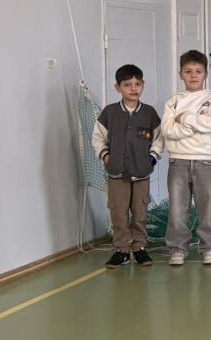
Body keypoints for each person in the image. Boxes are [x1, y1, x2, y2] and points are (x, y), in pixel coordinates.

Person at [91, 64, 163, 268]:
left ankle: (139, 248)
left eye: (137, 84)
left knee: (140, 212)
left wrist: (151, 159)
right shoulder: (110, 113)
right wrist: (106, 157)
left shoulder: (149, 113)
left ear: (143, 86)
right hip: (117, 174)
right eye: (127, 84)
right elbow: (98, 138)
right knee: (118, 213)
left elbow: (158, 140)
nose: (133, 88)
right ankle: (122, 250)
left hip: (141, 174)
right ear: (118, 88)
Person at [160, 50, 211, 266]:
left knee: (208, 208)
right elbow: (168, 130)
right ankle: (178, 249)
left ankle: (209, 248)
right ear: (181, 74)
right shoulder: (173, 102)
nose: (193, 75)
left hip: (205, 160)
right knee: (177, 210)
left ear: (205, 73)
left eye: (198, 71)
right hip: (178, 161)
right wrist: (196, 124)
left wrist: (185, 118)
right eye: (188, 71)